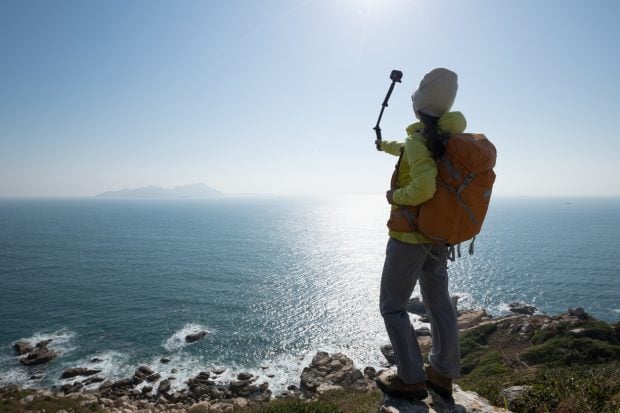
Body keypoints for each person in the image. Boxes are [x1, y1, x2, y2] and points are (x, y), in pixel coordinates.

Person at [374, 68, 463, 400]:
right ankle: (442, 373)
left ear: (418, 107)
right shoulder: (445, 136)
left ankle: (410, 378)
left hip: (410, 237)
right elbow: (412, 152)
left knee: (392, 306)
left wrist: (395, 196)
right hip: (438, 235)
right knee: (438, 303)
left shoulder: (418, 140)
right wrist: (384, 145)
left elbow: (423, 185)